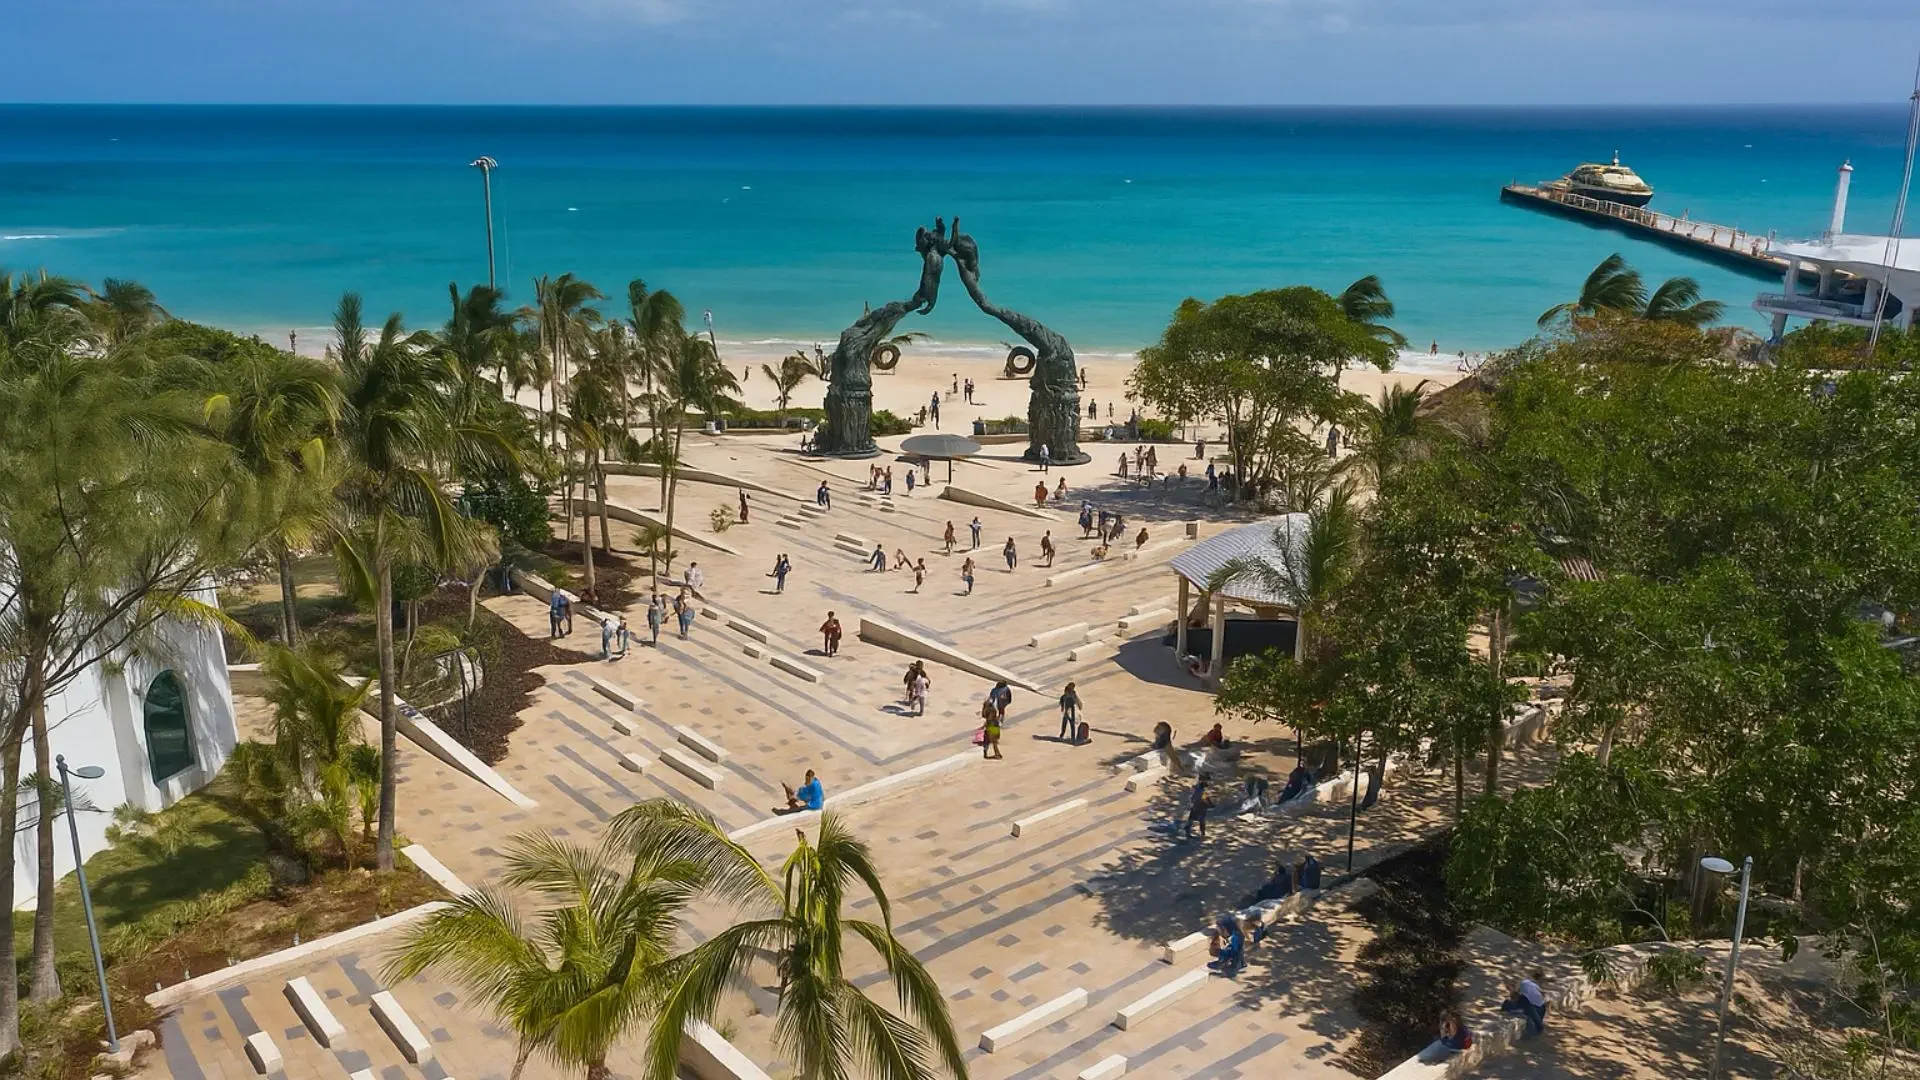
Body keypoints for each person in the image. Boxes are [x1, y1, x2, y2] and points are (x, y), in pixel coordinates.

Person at [1500, 971, 1549, 1036]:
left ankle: (1538, 1027)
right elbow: (1543, 994)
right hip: (1540, 1007)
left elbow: (1514, 996)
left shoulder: (1522, 984)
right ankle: (1539, 1026)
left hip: (1531, 1006)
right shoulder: (1532, 984)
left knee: (1516, 1002)